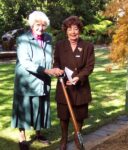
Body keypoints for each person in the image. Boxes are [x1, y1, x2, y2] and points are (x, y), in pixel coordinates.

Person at [11, 11, 64, 150]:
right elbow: (25, 62)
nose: (40, 28)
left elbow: (48, 58)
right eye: (37, 25)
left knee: (40, 107)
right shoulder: (23, 39)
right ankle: (22, 137)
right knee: (24, 109)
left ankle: (38, 134)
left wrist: (54, 68)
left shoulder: (48, 38)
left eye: (43, 25)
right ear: (32, 25)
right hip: (26, 82)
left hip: (43, 80)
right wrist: (47, 71)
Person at [53, 16, 95, 150]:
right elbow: (56, 62)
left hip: (80, 87)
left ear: (80, 30)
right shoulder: (60, 45)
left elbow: (89, 66)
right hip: (64, 86)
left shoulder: (88, 46)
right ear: (66, 31)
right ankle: (64, 140)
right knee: (64, 117)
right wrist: (57, 71)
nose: (73, 32)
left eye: (75, 29)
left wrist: (79, 77)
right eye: (69, 29)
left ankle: (78, 138)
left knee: (80, 116)